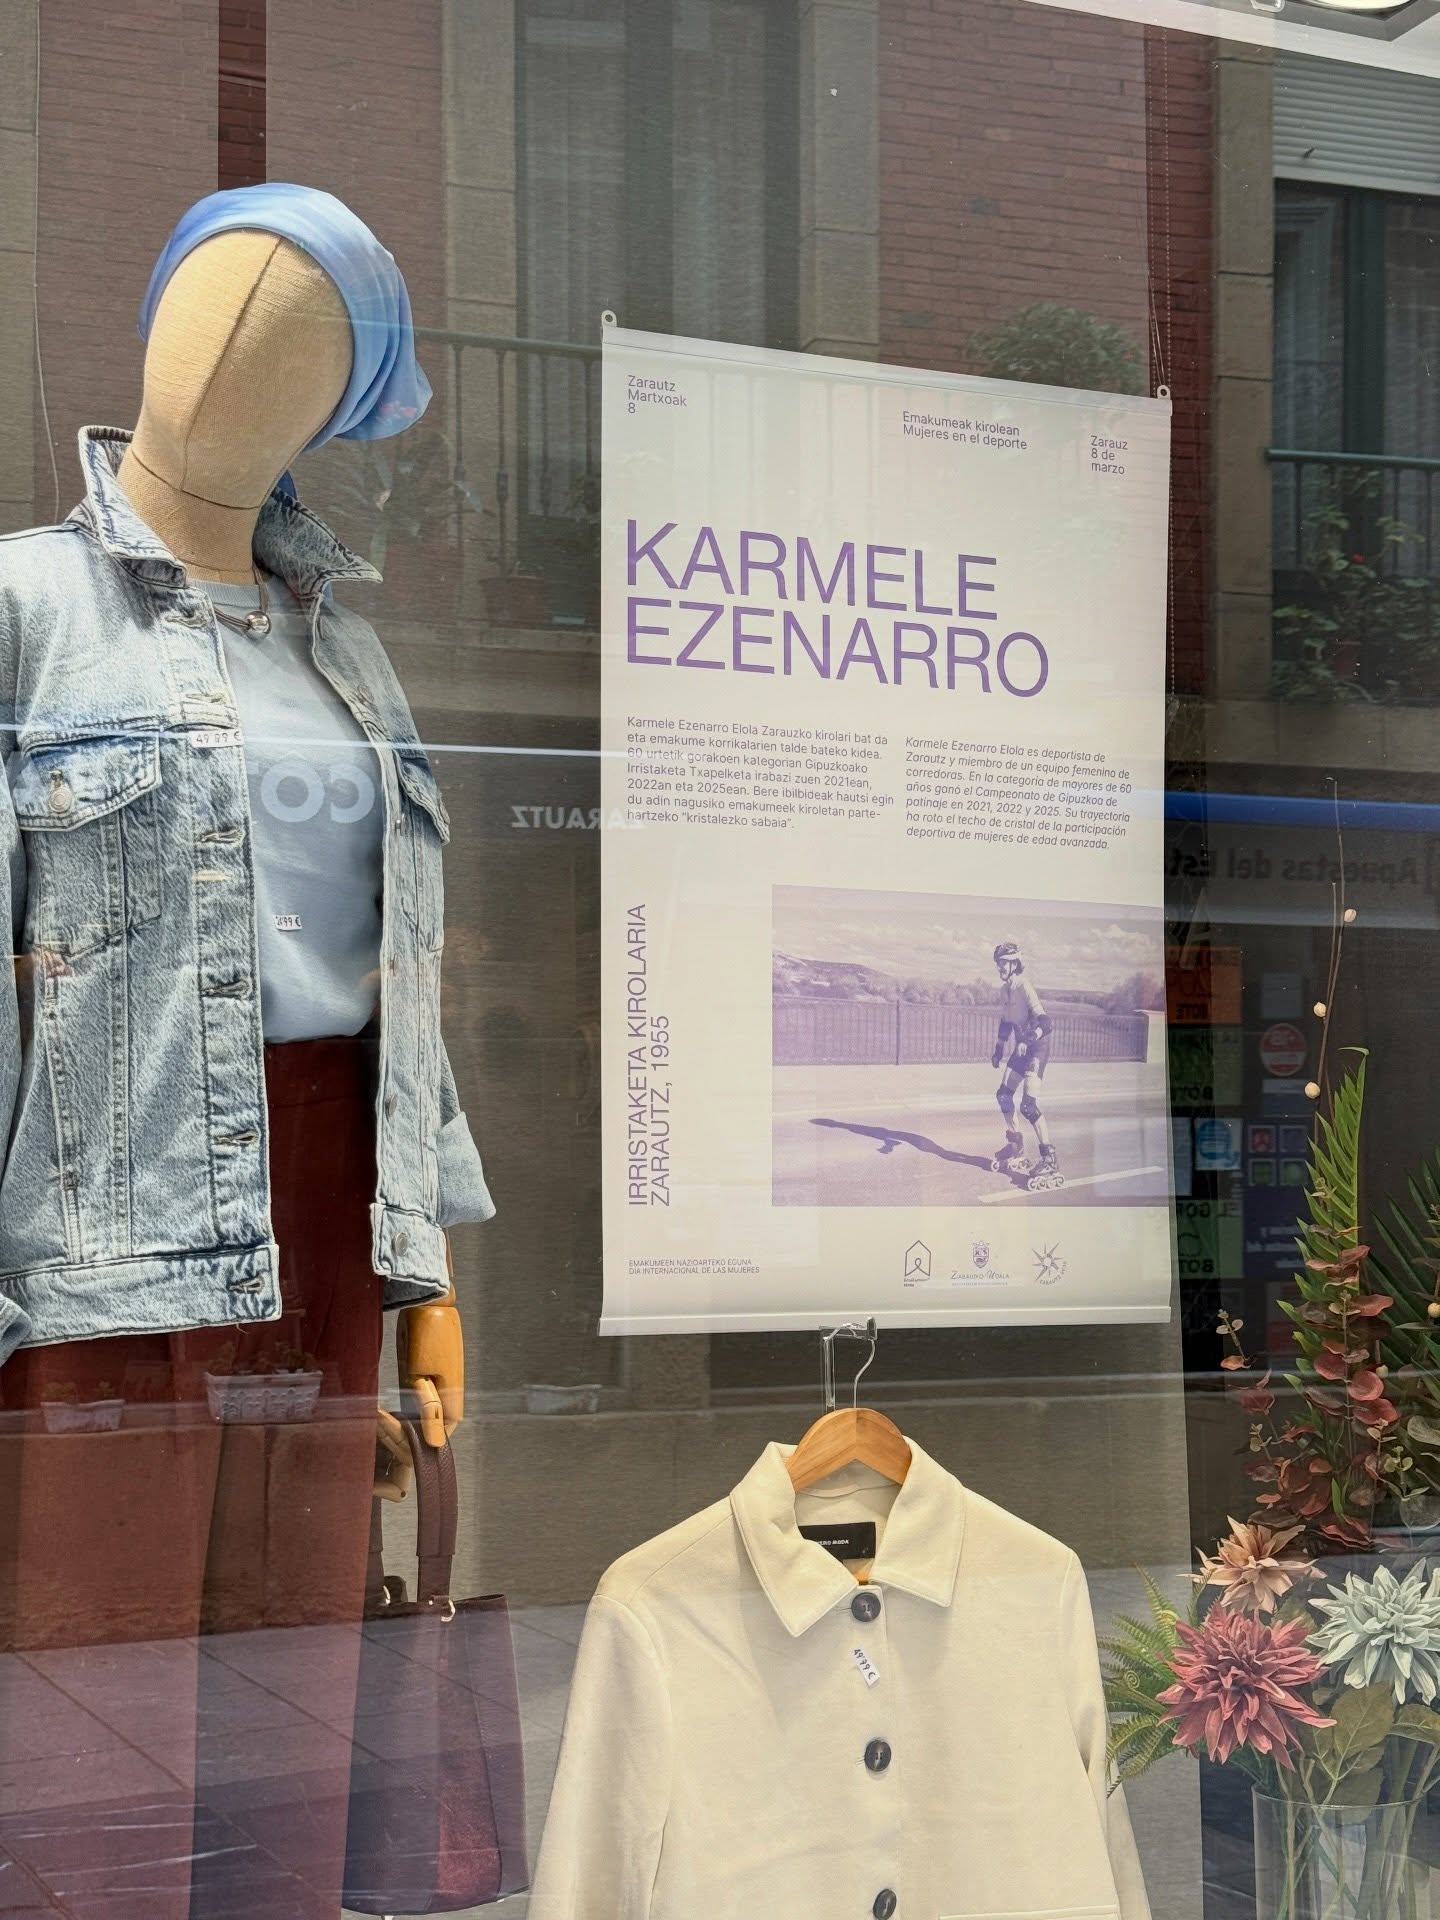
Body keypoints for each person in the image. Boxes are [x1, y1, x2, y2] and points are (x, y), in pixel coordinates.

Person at [989, 941, 1063, 1190]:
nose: (999, 967)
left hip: (1036, 1047)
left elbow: (1046, 1022)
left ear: (1014, 964)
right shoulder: (1004, 990)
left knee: (1028, 1105)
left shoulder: (1024, 986)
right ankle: (1016, 1145)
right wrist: (999, 1048)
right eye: (997, 963)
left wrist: (1028, 1039)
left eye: (1003, 962)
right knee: (1003, 1095)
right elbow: (1005, 1022)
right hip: (1021, 1047)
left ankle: (1049, 1159)